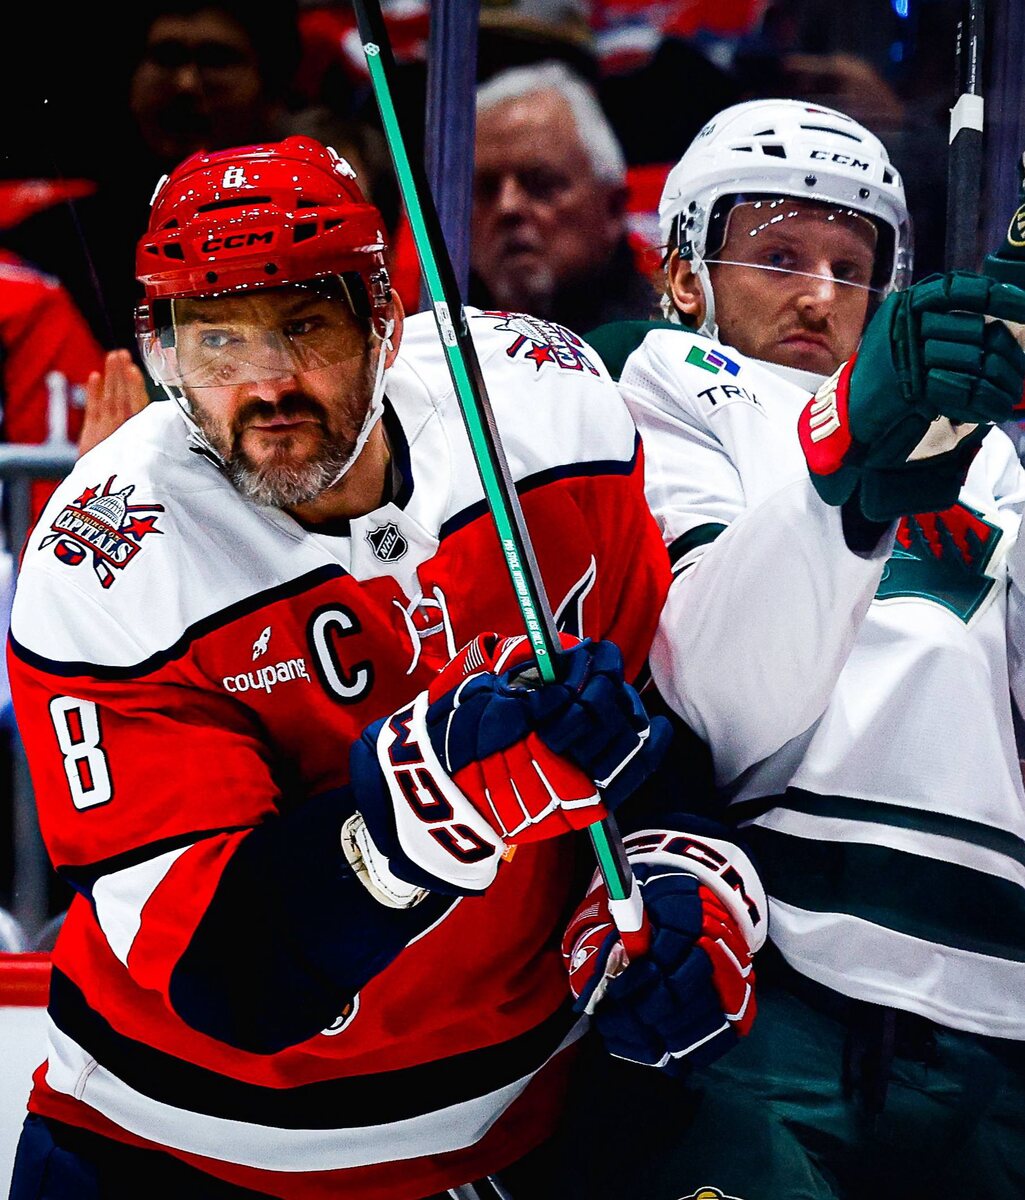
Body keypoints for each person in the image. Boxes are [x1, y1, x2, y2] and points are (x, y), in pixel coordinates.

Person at [5, 136, 765, 1200]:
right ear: (162, 353)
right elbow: (230, 978)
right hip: (171, 1148)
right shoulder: (110, 557)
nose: (267, 385)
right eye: (216, 342)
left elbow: (651, 716)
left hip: (509, 1131)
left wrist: (682, 871)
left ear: (383, 320)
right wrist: (420, 814)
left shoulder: (546, 415)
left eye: (303, 327)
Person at [595, 97, 1025, 1198]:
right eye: (777, 255)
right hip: (775, 971)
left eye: (850, 267)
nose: (819, 295)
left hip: (996, 1002)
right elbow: (713, 689)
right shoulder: (661, 387)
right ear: (682, 273)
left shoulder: (988, 454)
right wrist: (851, 463)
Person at [471, 61, 658, 333]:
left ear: (613, 208)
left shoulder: (666, 348)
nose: (507, 207)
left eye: (540, 184)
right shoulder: (425, 346)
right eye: (486, 189)